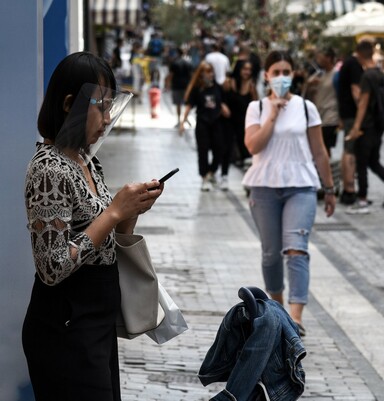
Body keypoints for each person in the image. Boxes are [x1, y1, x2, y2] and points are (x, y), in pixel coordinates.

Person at [22, 51, 164, 400]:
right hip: (64, 329)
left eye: (111, 104)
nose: (107, 116)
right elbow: (51, 267)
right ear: (70, 104)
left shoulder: (86, 160)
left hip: (93, 324)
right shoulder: (49, 170)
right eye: (101, 105)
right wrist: (113, 213)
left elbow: (102, 240)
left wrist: (128, 214)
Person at [243, 51, 336, 336]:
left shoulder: (307, 107)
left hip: (302, 185)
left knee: (296, 249)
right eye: (276, 71)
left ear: (293, 74)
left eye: (287, 71)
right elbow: (253, 147)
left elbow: (319, 151)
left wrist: (330, 188)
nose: (282, 77)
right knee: (271, 254)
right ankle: (278, 308)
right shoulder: (257, 108)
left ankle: (295, 317)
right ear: (267, 75)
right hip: (264, 186)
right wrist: (273, 114)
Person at [344, 40, 384, 215]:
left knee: (362, 162)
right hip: (379, 124)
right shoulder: (380, 74)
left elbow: (363, 103)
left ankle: (362, 200)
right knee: (373, 161)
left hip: (367, 124)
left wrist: (356, 126)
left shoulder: (367, 76)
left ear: (360, 55)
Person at [180, 62, 231, 191]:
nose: (210, 74)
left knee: (219, 150)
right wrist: (183, 122)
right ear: (201, 73)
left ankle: (211, 172)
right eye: (207, 71)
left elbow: (223, 102)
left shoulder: (218, 88)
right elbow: (189, 106)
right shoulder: (197, 88)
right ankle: (204, 178)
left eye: (211, 71)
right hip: (202, 123)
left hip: (216, 122)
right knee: (203, 152)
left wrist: (224, 108)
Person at [336, 46, 364, 205]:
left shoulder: (347, 63)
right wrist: (363, 112)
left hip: (346, 113)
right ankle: (349, 189)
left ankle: (347, 187)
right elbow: (356, 91)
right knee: (350, 150)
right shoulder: (354, 65)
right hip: (352, 115)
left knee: (348, 149)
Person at [222, 61, 258, 183]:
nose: (247, 72)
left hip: (244, 122)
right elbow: (220, 97)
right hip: (228, 121)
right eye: (244, 69)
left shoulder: (251, 86)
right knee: (226, 148)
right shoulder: (229, 83)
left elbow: (255, 104)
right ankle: (224, 175)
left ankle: (250, 178)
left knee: (246, 149)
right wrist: (222, 106)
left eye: (249, 69)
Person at [305, 47, 339, 157]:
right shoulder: (319, 74)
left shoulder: (337, 75)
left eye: (320, 56)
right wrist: (309, 84)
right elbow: (308, 93)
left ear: (328, 58)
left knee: (325, 146)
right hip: (319, 115)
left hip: (331, 116)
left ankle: (327, 170)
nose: (318, 59)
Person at [165, 48, 193, 128]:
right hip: (186, 86)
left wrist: (167, 85)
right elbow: (192, 76)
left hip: (177, 86)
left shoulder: (174, 63)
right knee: (187, 103)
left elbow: (171, 75)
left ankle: (179, 120)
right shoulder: (188, 63)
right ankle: (185, 118)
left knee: (178, 104)